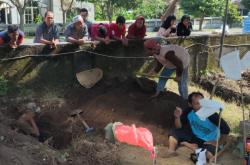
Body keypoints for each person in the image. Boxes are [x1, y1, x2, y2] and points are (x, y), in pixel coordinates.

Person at [166, 92, 230, 162]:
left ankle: (189, 146)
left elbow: (226, 129)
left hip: (208, 141)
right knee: (173, 133)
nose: (201, 106)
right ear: (190, 104)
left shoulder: (211, 115)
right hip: (194, 136)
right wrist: (177, 117)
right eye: (197, 104)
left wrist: (218, 142)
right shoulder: (188, 111)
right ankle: (171, 151)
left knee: (209, 155)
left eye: (202, 102)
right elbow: (179, 127)